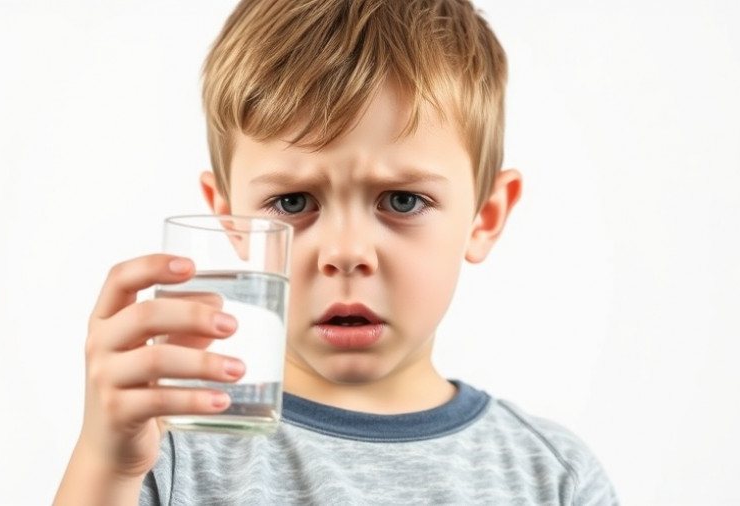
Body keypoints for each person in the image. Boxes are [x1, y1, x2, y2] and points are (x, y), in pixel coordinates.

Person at [55, 0, 619, 504]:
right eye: (293, 201)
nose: (346, 253)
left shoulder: (552, 477)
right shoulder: (162, 450)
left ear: (485, 217)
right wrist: (105, 466)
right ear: (231, 225)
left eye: (402, 200)